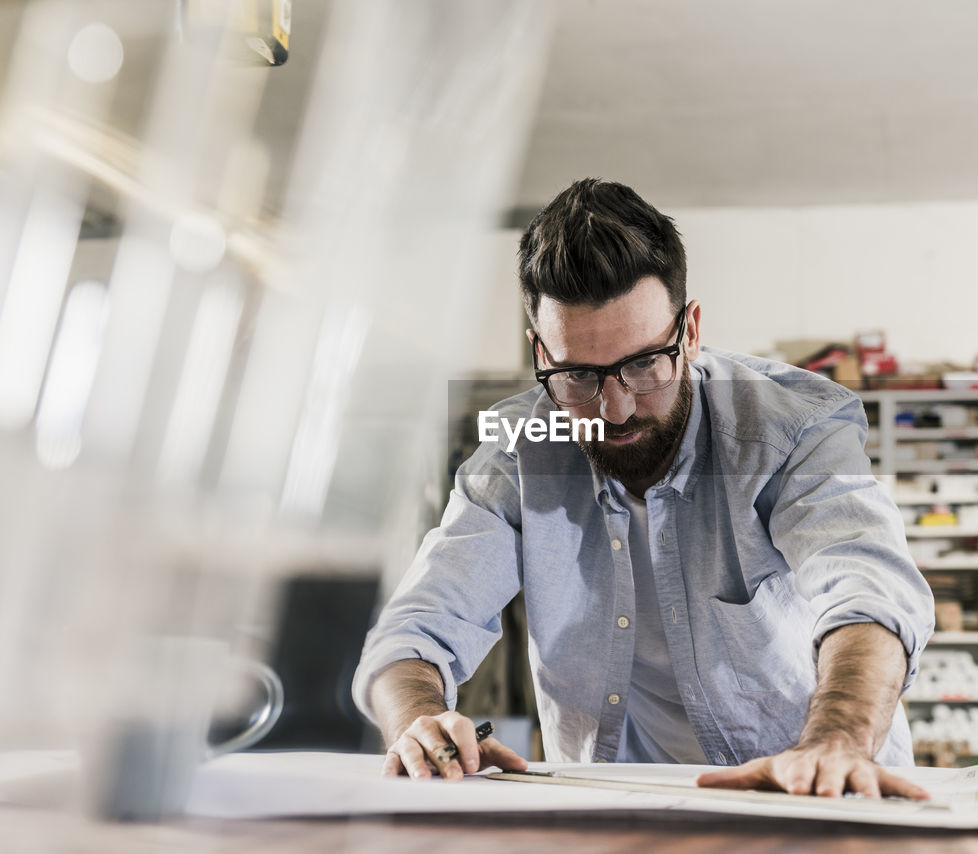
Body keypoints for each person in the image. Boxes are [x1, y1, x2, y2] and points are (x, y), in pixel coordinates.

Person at [353, 178, 934, 799]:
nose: (616, 406)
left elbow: (870, 590)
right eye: (577, 374)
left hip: (811, 790)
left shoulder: (792, 428)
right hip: (617, 804)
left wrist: (838, 737)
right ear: (539, 350)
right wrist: (418, 722)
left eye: (643, 364)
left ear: (690, 331)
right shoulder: (520, 454)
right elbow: (417, 625)